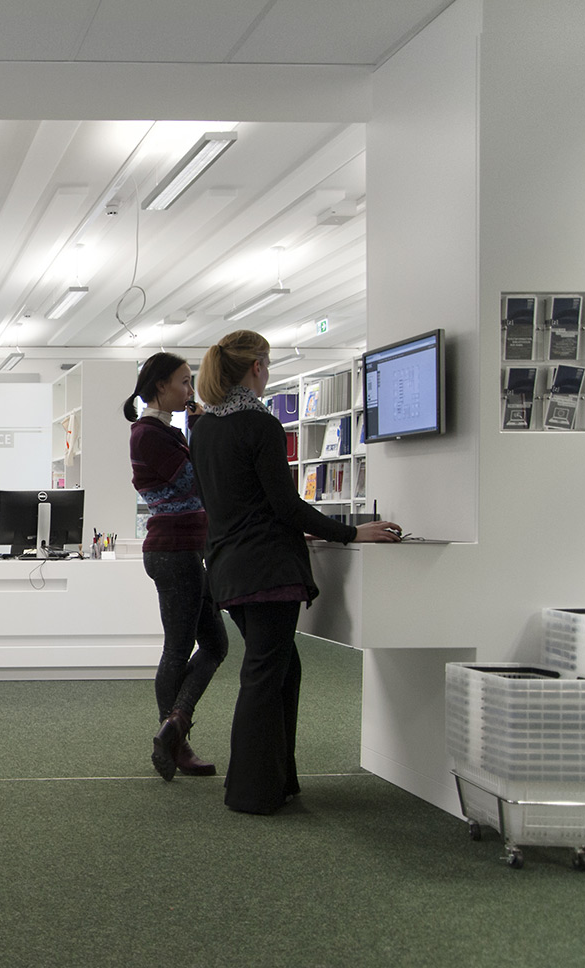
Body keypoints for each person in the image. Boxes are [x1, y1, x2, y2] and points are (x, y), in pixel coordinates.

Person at [189, 331, 400, 815]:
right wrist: (351, 532)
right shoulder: (261, 424)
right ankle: (251, 792)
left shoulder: (204, 429)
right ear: (258, 367)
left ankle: (279, 780)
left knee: (282, 669)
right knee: (264, 676)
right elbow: (285, 504)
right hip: (267, 570)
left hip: (229, 568)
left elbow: (230, 502)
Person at [124, 352, 229, 781]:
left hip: (186, 550)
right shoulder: (148, 434)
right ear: (160, 386)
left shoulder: (165, 431)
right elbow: (196, 482)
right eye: (184, 382)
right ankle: (174, 738)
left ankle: (174, 727)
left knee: (215, 644)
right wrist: (202, 432)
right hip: (174, 552)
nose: (190, 391)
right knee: (178, 648)